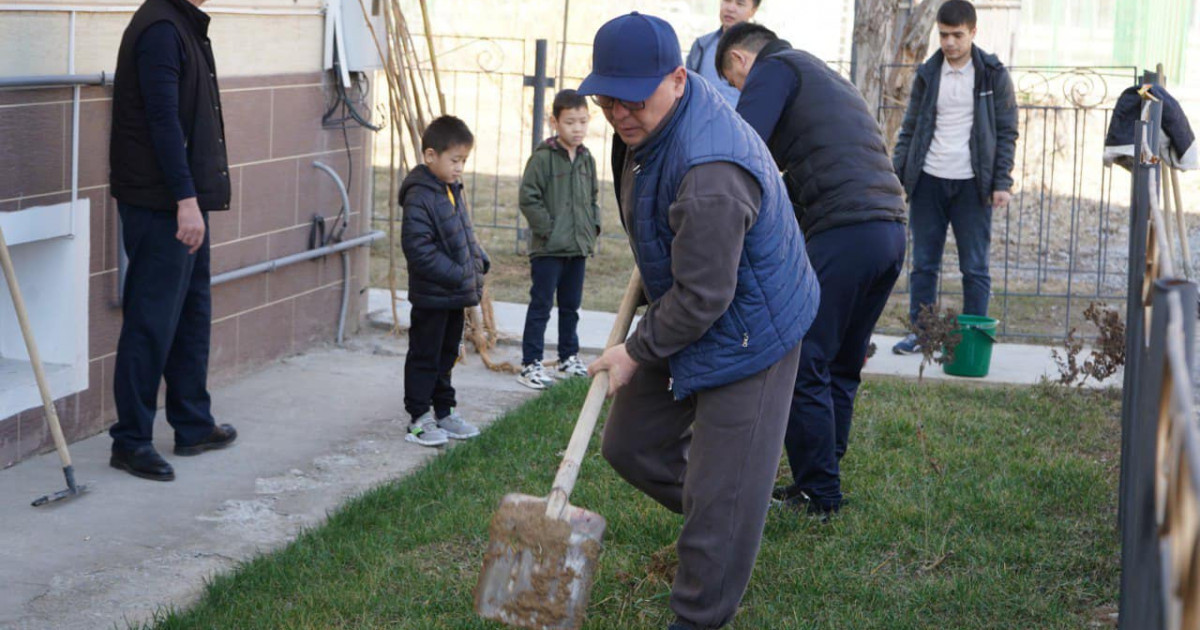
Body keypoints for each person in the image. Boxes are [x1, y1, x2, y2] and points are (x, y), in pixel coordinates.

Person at [579, 13, 820, 630]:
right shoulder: (644, 128)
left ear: (679, 79)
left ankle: (701, 604)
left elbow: (706, 296)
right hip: (694, 305)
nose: (618, 113)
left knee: (717, 508)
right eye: (607, 98)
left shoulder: (712, 172)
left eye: (633, 99)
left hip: (753, 329)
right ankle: (729, 515)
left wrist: (634, 351)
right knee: (631, 445)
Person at [717, 23, 907, 516]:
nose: (741, 90)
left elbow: (744, 145)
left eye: (734, 83)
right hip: (889, 230)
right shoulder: (826, 75)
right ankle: (824, 475)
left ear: (740, 60)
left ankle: (818, 492)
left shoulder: (773, 69)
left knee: (804, 359)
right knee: (842, 362)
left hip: (844, 228)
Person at [108, 0, 236, 481]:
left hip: (183, 201)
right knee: (151, 321)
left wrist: (192, 198)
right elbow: (162, 121)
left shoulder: (182, 23)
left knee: (190, 315)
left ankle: (192, 424)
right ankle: (131, 441)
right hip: (162, 204)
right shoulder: (161, 28)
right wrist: (185, 199)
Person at [891, 0, 1018, 355]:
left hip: (972, 185)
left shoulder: (992, 74)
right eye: (944, 35)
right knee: (923, 265)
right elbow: (910, 127)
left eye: (957, 35)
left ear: (973, 32)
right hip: (928, 180)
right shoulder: (928, 73)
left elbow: (1007, 131)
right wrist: (898, 175)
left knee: (974, 267)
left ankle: (973, 339)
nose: (949, 43)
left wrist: (1002, 182)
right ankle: (923, 334)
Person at [399, 115, 490, 447]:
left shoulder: (450, 190)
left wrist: (478, 260)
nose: (460, 167)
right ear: (430, 156)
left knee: (448, 353)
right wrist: (458, 274)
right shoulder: (420, 196)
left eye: (464, 161)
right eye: (455, 160)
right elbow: (419, 249)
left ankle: (444, 410)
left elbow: (461, 236)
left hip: (453, 296)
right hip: (431, 297)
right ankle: (419, 418)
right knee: (425, 354)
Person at [516, 89, 601, 390]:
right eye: (570, 122)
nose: (577, 129)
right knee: (541, 304)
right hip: (548, 248)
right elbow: (528, 197)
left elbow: (592, 198)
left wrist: (593, 227)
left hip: (577, 248)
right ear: (555, 122)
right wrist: (548, 229)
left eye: (582, 121)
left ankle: (568, 357)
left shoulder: (587, 159)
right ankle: (530, 363)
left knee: (571, 306)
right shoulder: (543, 159)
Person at [685, 0, 759, 108]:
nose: (730, 8)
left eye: (740, 4)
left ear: (753, 11)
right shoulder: (702, 46)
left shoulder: (763, 51)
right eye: (727, 1)